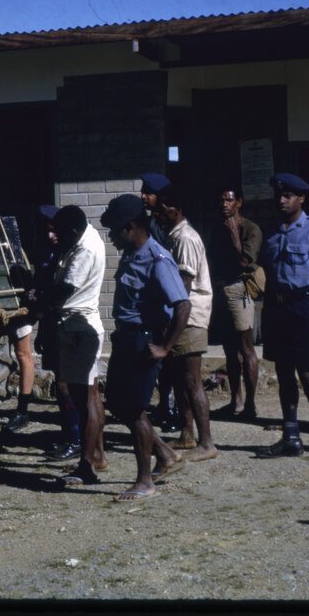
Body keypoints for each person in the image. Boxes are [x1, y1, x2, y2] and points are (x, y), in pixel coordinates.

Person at [100, 194, 190, 502]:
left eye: (113, 230)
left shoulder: (157, 258)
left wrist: (166, 347)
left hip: (144, 339)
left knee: (135, 410)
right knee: (118, 402)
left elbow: (182, 304)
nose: (110, 236)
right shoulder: (131, 253)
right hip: (126, 338)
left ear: (131, 226)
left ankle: (144, 481)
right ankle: (164, 453)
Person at [257, 173, 309, 457]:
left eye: (288, 195)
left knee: (307, 373)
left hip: (303, 307)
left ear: (301, 198)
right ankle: (291, 436)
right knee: (283, 371)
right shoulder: (272, 231)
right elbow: (264, 269)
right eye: (279, 195)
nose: (281, 200)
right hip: (277, 309)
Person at [34, 205, 108, 482]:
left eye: (60, 233)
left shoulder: (84, 249)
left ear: (73, 231)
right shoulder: (83, 239)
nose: (56, 237)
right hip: (77, 327)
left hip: (79, 329)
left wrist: (38, 301)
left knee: (84, 400)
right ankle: (96, 456)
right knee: (89, 395)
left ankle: (87, 464)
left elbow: (65, 289)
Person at [155, 184, 218, 462]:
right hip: (180, 316)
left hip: (190, 317)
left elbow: (184, 284)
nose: (160, 211)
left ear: (178, 209)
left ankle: (207, 441)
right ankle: (187, 433)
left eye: (166, 206)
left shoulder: (186, 239)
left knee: (192, 379)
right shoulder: (174, 236)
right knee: (181, 379)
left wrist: (171, 319)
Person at [206, 183, 263, 420]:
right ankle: (235, 401)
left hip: (239, 289)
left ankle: (250, 405)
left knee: (245, 347)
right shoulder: (216, 228)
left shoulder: (250, 229)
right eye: (221, 200)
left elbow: (244, 262)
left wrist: (233, 233)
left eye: (229, 200)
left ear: (239, 202)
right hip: (220, 290)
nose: (225, 205)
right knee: (230, 349)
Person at [4, 204, 61, 433]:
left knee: (62, 374)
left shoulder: (65, 252)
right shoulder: (42, 250)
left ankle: (73, 431)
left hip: (58, 317)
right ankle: (23, 411)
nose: (50, 235)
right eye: (46, 229)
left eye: (54, 230)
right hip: (43, 314)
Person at [140, 172, 180, 434]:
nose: (144, 197)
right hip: (152, 300)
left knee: (172, 360)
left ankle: (173, 408)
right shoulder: (148, 221)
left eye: (149, 193)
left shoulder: (168, 225)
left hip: (169, 300)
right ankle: (163, 405)